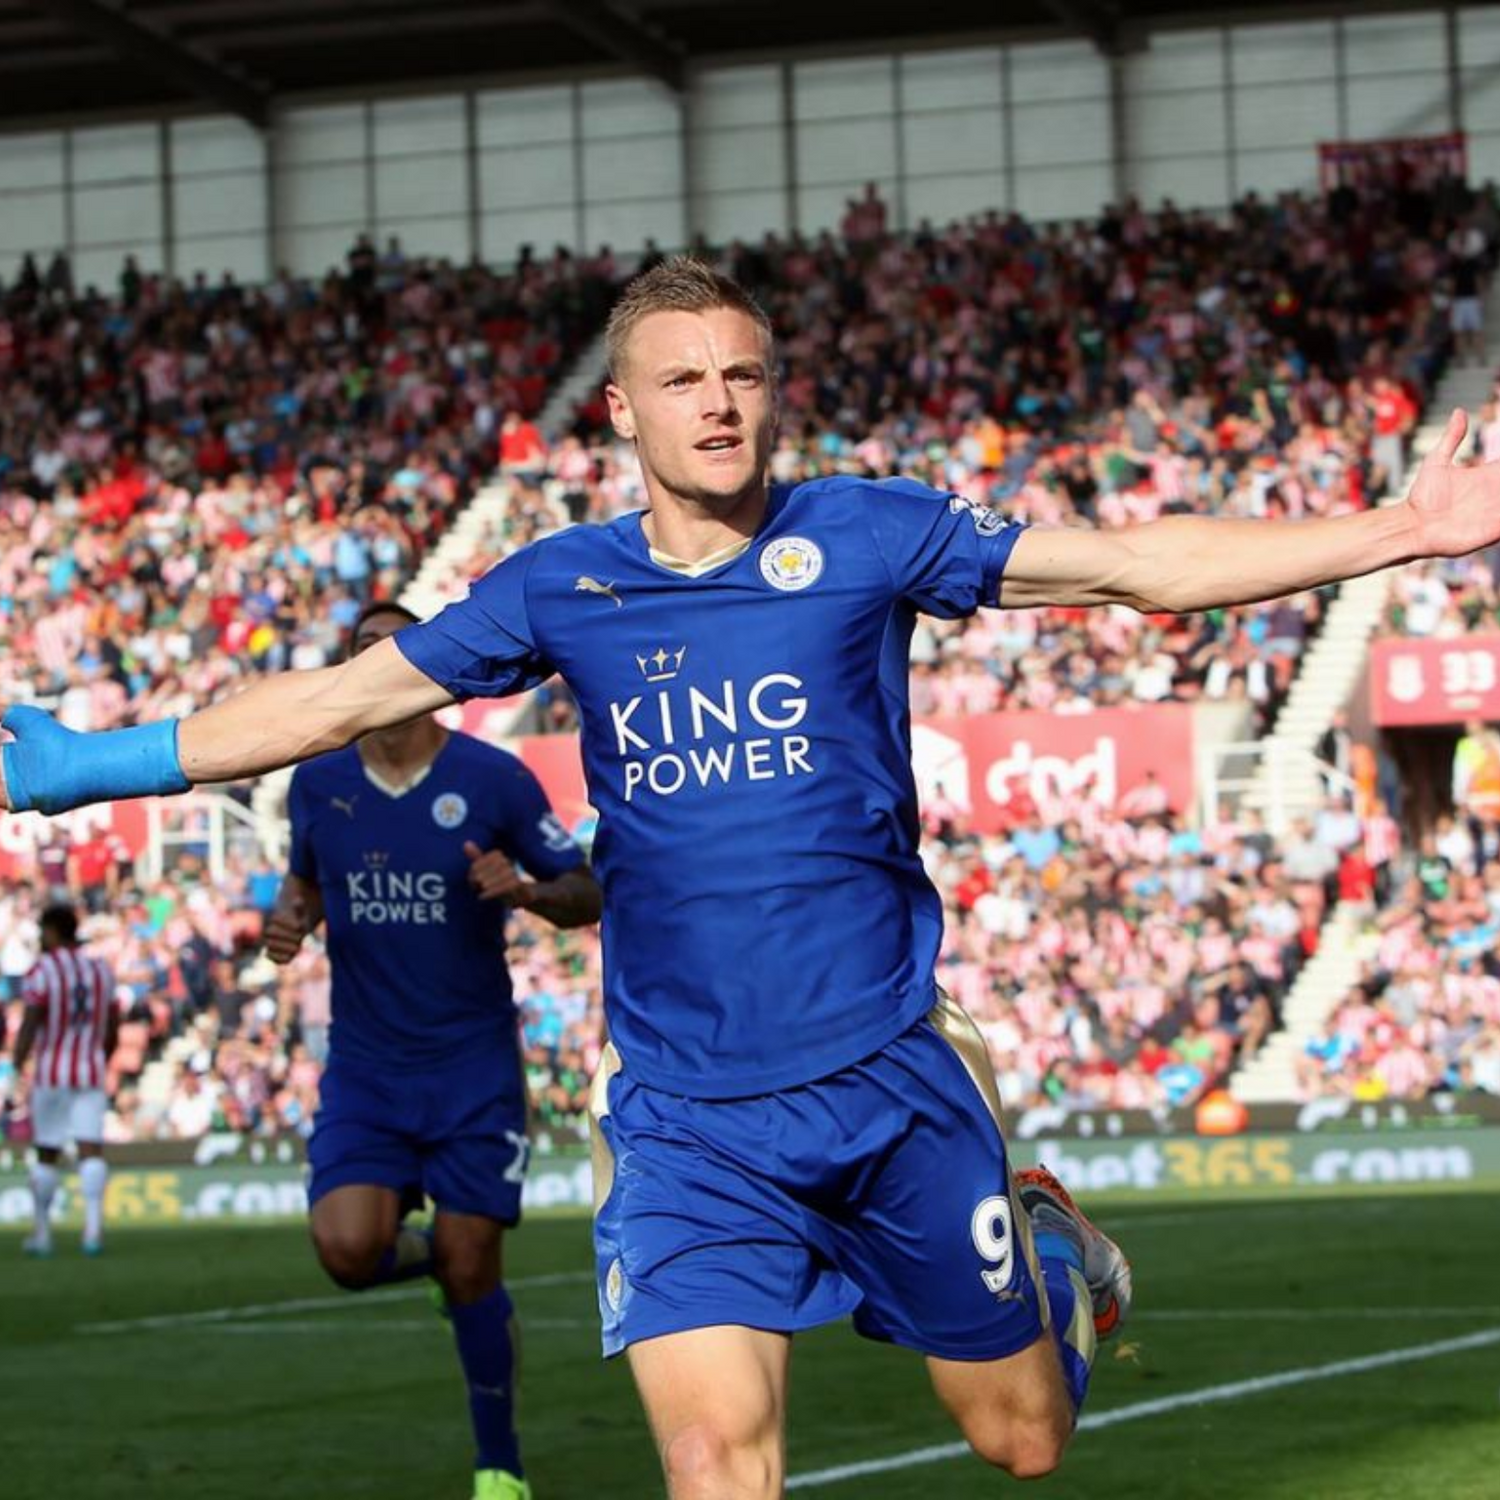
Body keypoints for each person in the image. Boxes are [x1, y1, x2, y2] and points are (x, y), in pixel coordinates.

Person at [6, 258, 1500, 1495]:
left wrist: (1400, 532)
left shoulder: (865, 533)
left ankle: (1046, 1246)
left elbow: (1126, 565)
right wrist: (93, 763)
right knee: (716, 1462)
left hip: (887, 1082)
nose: (719, 403)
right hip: (685, 1118)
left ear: (773, 393)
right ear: (622, 410)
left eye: (744, 374)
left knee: (1024, 1441)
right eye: (683, 378)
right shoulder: (560, 585)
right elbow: (330, 702)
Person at [263, 599, 602, 1500]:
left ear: (425, 665)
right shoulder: (317, 782)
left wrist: (525, 891)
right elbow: (306, 883)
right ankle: (441, 1266)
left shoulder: (494, 781)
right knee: (346, 1253)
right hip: (368, 1070)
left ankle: (500, 1466)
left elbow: (587, 891)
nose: (376, 660)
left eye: (392, 647)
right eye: (360, 648)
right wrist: (294, 918)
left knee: (471, 1265)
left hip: (471, 1068)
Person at [8, 903, 118, 1257]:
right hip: (90, 1069)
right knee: (90, 1148)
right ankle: (93, 1231)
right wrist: (101, 1056)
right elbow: (112, 1026)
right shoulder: (100, 970)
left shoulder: (43, 970)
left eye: (43, 930)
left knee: (47, 1152)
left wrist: (17, 1063)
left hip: (52, 1072)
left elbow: (32, 1020)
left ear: (53, 931)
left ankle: (42, 1234)